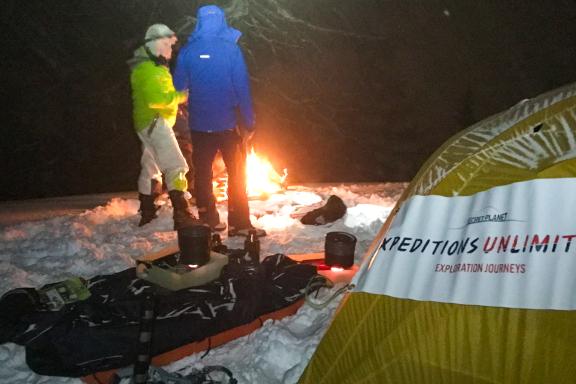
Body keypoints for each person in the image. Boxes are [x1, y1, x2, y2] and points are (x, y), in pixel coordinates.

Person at [173, 5, 265, 237]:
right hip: (228, 124)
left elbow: (178, 88)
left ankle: (208, 220)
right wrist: (249, 121)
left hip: (200, 125)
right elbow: (242, 88)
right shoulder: (231, 50)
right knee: (236, 174)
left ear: (199, 22)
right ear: (221, 20)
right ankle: (239, 223)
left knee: (203, 174)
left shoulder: (188, 51)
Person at [128, 23, 198, 230]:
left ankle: (148, 210)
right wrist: (182, 96)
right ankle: (182, 213)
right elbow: (156, 99)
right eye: (167, 45)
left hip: (147, 123)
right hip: (156, 121)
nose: (170, 50)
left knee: (150, 167)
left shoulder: (147, 65)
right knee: (176, 165)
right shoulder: (149, 69)